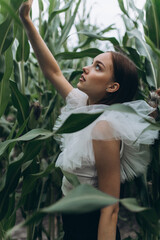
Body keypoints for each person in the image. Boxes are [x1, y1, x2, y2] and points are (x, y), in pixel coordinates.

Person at [19, 1, 158, 239]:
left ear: (112, 86)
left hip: (90, 227)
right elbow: (53, 72)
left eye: (97, 67)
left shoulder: (105, 128)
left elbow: (110, 208)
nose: (85, 68)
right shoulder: (83, 105)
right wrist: (26, 20)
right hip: (73, 221)